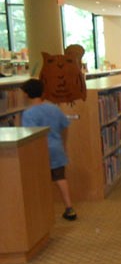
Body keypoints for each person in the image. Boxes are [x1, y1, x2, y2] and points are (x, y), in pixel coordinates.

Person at [20, 78, 77, 220]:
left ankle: (43, 211)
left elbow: (29, 134)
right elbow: (65, 126)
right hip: (56, 147)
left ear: (26, 94)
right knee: (60, 178)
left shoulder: (28, 114)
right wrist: (63, 143)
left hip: (39, 151)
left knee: (39, 181)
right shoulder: (54, 108)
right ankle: (69, 208)